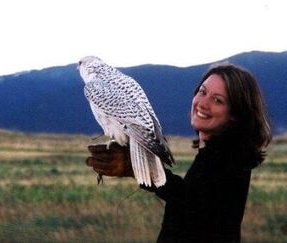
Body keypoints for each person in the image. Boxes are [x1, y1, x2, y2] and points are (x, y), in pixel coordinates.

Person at [85, 64, 272, 242]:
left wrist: (141, 168)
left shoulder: (229, 157)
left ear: (235, 114)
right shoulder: (219, 154)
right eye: (202, 92)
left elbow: (194, 206)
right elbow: (192, 200)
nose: (203, 104)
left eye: (217, 100)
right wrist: (141, 168)